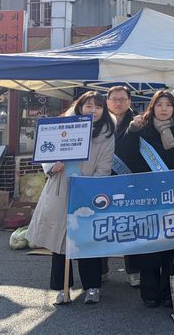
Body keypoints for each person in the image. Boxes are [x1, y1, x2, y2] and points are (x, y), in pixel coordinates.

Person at [27, 91, 115, 306]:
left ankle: (92, 287)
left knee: (86, 240)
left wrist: (90, 188)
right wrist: (51, 166)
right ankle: (62, 288)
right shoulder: (63, 125)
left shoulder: (106, 134)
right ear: (80, 107)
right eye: (89, 106)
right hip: (60, 189)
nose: (93, 110)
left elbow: (105, 165)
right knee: (59, 242)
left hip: (87, 190)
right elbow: (46, 152)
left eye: (98, 107)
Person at [118, 90, 174, 308]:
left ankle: (170, 291)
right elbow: (126, 156)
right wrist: (132, 132)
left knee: (173, 246)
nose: (164, 109)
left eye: (168, 105)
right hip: (147, 196)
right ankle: (150, 292)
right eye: (160, 104)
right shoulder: (141, 130)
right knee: (150, 245)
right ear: (153, 107)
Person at [105, 85, 139, 286]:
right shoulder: (98, 122)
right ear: (107, 102)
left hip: (129, 181)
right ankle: (100, 269)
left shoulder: (138, 121)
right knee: (102, 226)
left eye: (122, 99)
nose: (118, 103)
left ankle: (134, 270)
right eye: (114, 99)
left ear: (129, 102)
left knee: (129, 228)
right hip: (102, 180)